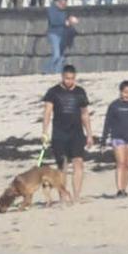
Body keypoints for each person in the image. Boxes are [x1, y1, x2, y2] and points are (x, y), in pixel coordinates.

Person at [39, 64, 94, 203]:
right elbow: (47, 112)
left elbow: (85, 114)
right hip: (59, 134)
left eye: (72, 79)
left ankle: (76, 197)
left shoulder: (80, 92)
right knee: (62, 166)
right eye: (67, 78)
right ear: (62, 77)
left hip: (76, 133)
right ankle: (63, 197)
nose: (69, 81)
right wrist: (44, 132)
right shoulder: (53, 92)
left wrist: (89, 134)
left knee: (79, 163)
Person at [44, 0, 76, 74]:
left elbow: (67, 20)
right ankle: (46, 70)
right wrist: (65, 22)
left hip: (63, 34)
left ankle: (57, 72)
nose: (64, 6)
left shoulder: (65, 10)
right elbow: (54, 21)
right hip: (54, 34)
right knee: (56, 55)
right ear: (58, 2)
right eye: (63, 5)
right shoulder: (52, 10)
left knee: (61, 56)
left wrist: (71, 20)